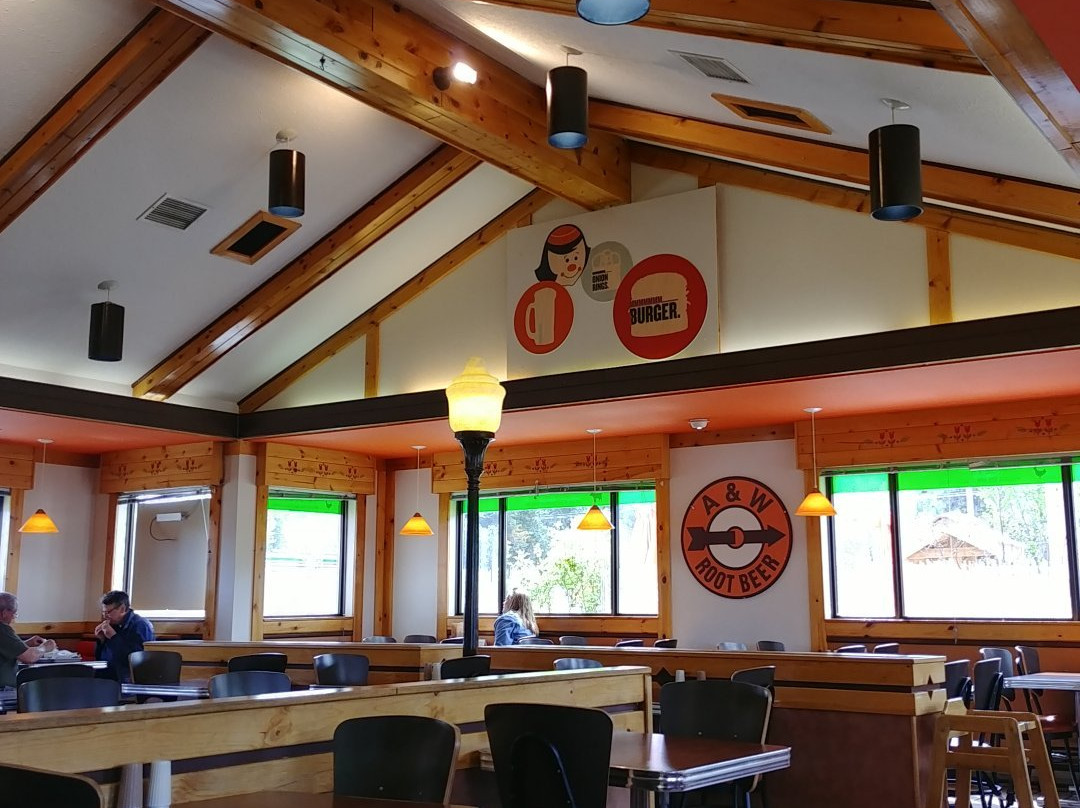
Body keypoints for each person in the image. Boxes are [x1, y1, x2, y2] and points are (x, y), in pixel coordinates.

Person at [95, 590, 154, 682]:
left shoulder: (140, 625)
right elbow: (102, 658)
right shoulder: (113, 625)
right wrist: (101, 641)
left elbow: (135, 659)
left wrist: (113, 637)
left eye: (108, 612)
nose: (105, 616)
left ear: (122, 609)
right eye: (103, 612)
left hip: (128, 679)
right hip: (108, 676)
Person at [0, 592, 54, 688]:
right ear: (4, 613)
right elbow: (29, 657)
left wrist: (27, 643)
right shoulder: (2, 629)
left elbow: (7, 648)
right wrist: (45, 647)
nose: (13, 618)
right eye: (14, 614)